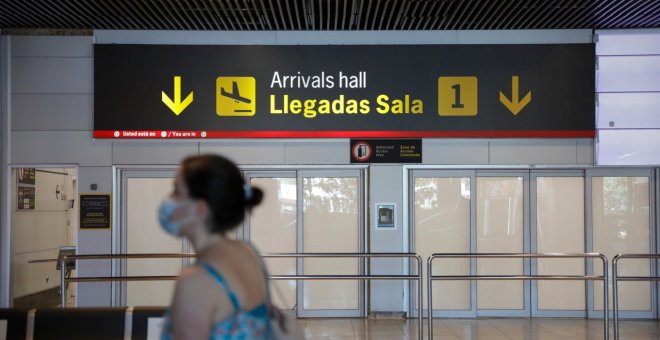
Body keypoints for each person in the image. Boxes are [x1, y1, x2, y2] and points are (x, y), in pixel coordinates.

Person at [159, 154, 268, 339]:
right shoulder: (247, 252)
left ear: (200, 207)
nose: (169, 199)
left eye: (176, 191)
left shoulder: (195, 281)